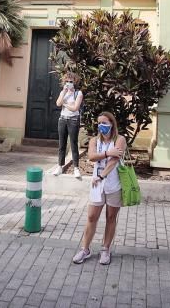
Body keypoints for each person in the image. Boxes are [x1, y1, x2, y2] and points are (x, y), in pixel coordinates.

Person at [72, 111, 126, 266]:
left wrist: (102, 175)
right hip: (97, 186)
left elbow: (114, 161)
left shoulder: (120, 139)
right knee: (91, 217)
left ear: (112, 124)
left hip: (114, 185)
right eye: (99, 123)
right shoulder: (95, 141)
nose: (101, 126)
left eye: (104, 123)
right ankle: (85, 249)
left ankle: (105, 249)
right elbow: (91, 156)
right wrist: (108, 152)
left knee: (110, 217)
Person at [52, 72, 84, 179]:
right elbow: (58, 103)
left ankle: (76, 168)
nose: (69, 83)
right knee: (62, 144)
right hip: (62, 119)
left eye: (71, 81)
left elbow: (75, 108)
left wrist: (65, 104)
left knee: (73, 143)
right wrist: (64, 93)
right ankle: (60, 166)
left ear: (74, 82)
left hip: (73, 120)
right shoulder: (63, 92)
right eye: (67, 81)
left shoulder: (78, 93)